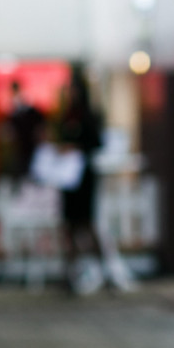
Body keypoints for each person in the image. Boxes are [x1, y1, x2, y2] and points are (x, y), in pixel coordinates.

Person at [55, 64, 105, 293]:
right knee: (69, 227)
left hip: (83, 180)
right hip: (68, 180)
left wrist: (75, 148)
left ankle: (103, 272)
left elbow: (97, 144)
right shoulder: (66, 115)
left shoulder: (88, 116)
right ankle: (71, 275)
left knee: (86, 224)